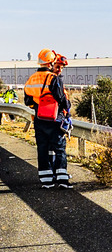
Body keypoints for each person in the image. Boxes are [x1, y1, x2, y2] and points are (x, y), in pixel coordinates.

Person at [23, 49, 72, 189]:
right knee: (59, 147)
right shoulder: (52, 78)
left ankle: (46, 181)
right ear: (50, 63)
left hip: (39, 118)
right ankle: (62, 179)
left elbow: (27, 101)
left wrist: (39, 105)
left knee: (43, 148)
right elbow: (61, 98)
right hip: (54, 118)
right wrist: (67, 108)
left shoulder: (31, 79)